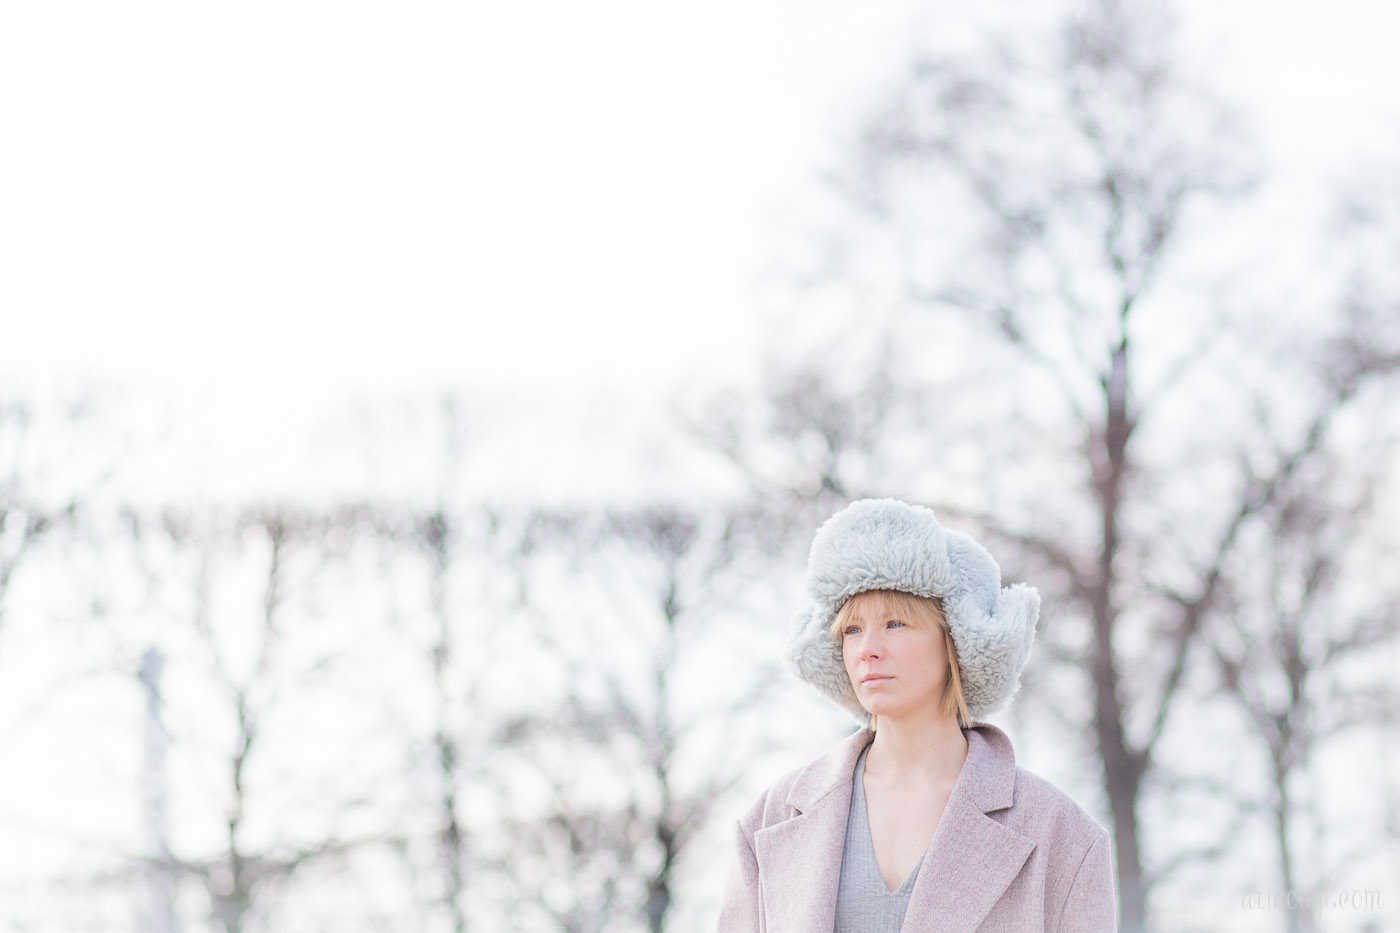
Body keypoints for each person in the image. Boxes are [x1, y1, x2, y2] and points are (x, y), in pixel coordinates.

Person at [717, 498, 1117, 932]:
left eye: (895, 623)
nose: (868, 647)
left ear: (956, 642)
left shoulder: (1064, 838)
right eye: (852, 629)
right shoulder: (771, 819)